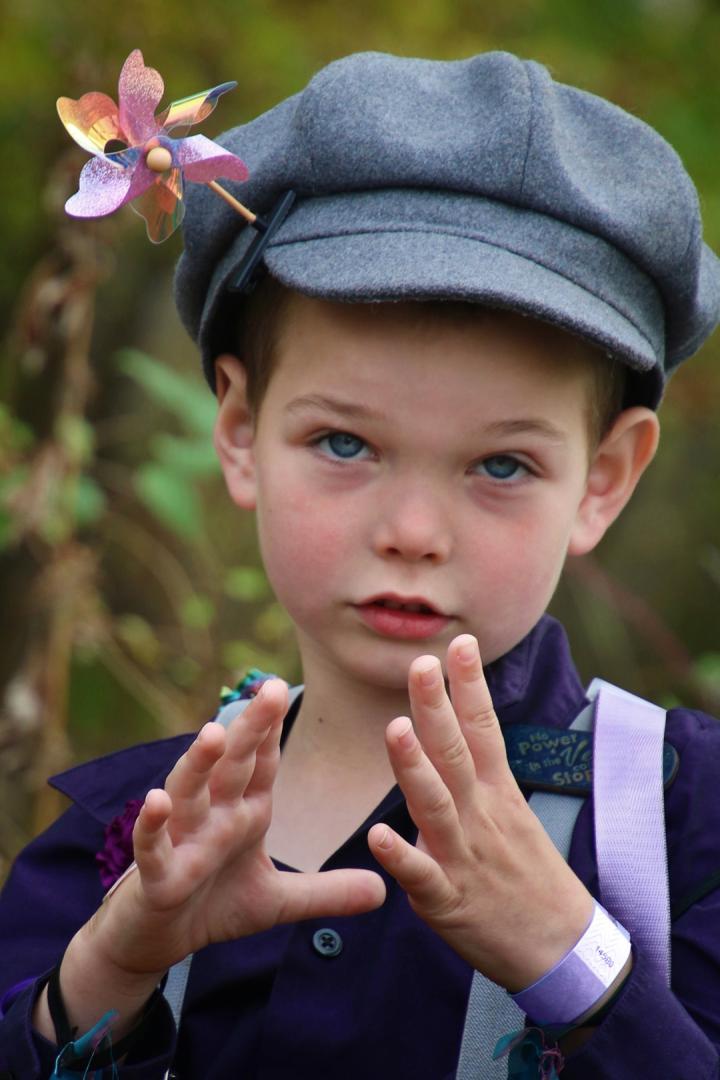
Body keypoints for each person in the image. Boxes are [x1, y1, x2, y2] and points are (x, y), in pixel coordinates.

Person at [1, 49, 719, 1080]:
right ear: (241, 431)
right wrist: (110, 972)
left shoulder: (685, 830)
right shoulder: (121, 841)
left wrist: (577, 966)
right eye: (345, 444)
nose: (414, 530)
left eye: (503, 464)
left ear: (604, 479)